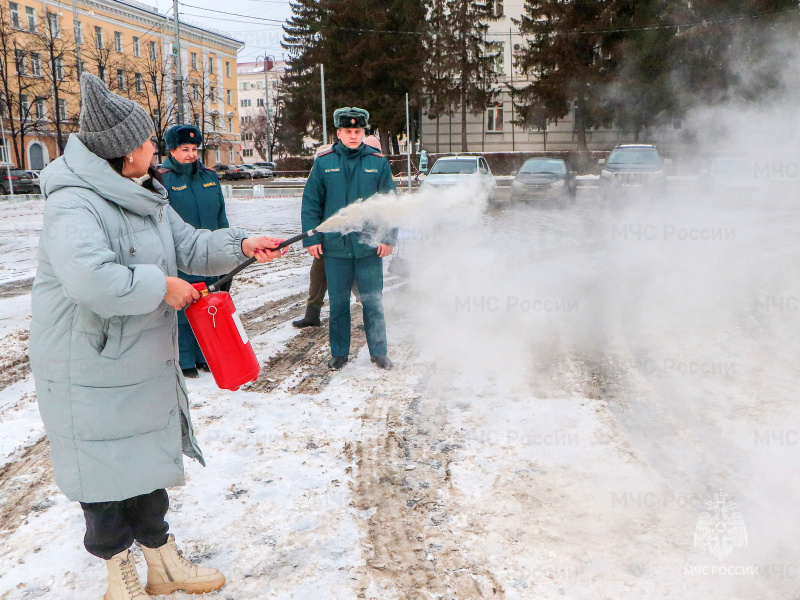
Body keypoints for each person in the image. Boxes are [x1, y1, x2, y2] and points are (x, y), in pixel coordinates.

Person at [29, 73, 285, 599]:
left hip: (141, 356)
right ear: (126, 153)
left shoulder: (145, 194)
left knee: (146, 462)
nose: (154, 147)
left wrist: (243, 244)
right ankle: (118, 575)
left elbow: (190, 246)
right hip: (89, 362)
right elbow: (89, 279)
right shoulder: (73, 204)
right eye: (147, 140)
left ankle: (162, 563)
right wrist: (161, 286)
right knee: (102, 472)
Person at [301, 107, 397, 370]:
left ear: (364, 133)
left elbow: (391, 204)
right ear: (339, 133)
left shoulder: (378, 162)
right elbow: (311, 204)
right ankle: (339, 353)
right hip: (335, 248)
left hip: (369, 248)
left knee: (373, 302)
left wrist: (388, 238)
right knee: (339, 303)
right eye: (348, 131)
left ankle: (379, 352)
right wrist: (312, 239)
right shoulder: (324, 162)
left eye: (358, 131)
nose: (354, 136)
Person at [159, 124, 229, 378]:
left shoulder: (209, 176)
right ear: (172, 151)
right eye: (184, 149)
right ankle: (185, 359)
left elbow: (221, 215)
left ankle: (206, 355)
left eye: (194, 149)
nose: (191, 154)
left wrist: (225, 247)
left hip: (210, 251)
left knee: (208, 303)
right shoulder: (162, 178)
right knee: (184, 306)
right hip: (180, 254)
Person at [292, 135, 382, 329]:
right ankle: (312, 314)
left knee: (357, 277)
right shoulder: (325, 171)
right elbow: (313, 204)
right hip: (327, 235)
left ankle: (372, 315)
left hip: (356, 235)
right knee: (318, 274)